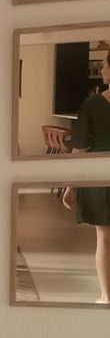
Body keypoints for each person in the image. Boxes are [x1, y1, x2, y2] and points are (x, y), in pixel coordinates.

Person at [62, 49, 110, 304]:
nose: (101, 70)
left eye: (104, 65)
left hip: (100, 177)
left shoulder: (91, 104)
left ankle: (106, 296)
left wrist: (70, 185)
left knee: (105, 239)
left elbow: (79, 149)